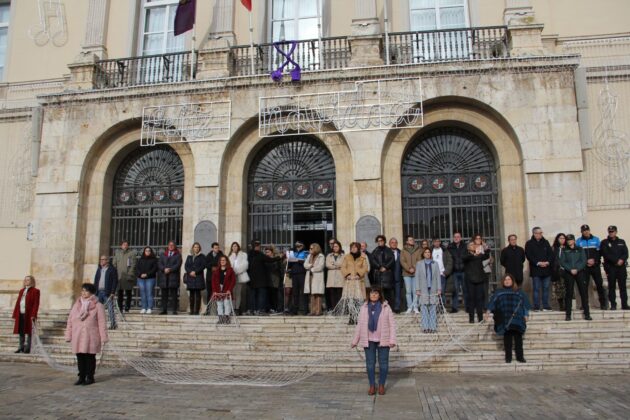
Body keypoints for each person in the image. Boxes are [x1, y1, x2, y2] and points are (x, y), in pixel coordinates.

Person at [351, 287, 397, 396]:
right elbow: (360, 325)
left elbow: (392, 325)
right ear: (369, 295)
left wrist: (392, 339)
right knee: (370, 364)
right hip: (369, 340)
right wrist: (355, 341)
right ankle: (372, 385)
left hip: (383, 340)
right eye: (372, 293)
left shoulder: (386, 307)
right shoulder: (364, 307)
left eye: (376, 293)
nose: (374, 295)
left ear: (380, 295)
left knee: (384, 365)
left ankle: (381, 385)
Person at [64, 283, 108, 385]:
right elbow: (70, 320)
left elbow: (101, 322)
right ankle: (81, 376)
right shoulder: (76, 305)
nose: (83, 293)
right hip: (78, 334)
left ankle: (90, 377)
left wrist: (103, 337)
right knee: (80, 356)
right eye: (82, 290)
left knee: (90, 357)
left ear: (91, 292)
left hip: (91, 335)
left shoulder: (98, 306)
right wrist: (68, 334)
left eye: (86, 291)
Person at [486, 274, 530, 363]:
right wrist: (488, 312)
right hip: (505, 319)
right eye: (505, 280)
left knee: (518, 339)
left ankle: (520, 357)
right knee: (507, 339)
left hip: (517, 318)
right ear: (503, 281)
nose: (507, 281)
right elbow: (492, 303)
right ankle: (508, 357)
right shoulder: (499, 292)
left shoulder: (519, 292)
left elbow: (525, 304)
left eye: (509, 279)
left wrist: (526, 315)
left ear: (512, 281)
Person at [559, 234, 591, 321]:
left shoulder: (580, 249)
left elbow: (583, 260)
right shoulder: (564, 250)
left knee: (583, 293)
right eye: (568, 240)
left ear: (574, 240)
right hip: (569, 273)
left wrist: (577, 269)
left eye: (570, 240)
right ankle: (568, 315)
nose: (569, 241)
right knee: (569, 293)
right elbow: (562, 261)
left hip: (579, 272)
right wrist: (570, 269)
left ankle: (587, 314)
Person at [576, 224, 608, 310]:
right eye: (584, 230)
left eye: (587, 230)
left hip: (595, 266)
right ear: (581, 232)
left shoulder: (596, 239)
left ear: (589, 230)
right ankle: (584, 304)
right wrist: (585, 261)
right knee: (584, 286)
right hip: (584, 267)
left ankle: (603, 304)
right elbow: (578, 254)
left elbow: (599, 253)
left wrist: (594, 261)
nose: (586, 232)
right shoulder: (578, 241)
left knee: (599, 285)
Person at [525, 227, 554, 311]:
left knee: (546, 288)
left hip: (546, 269)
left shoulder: (546, 242)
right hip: (536, 269)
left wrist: (547, 262)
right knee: (536, 288)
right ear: (534, 234)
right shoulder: (529, 243)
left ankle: (545, 305)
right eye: (539, 233)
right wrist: (538, 263)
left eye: (541, 233)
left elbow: (550, 254)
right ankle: (536, 306)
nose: (540, 234)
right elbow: (529, 255)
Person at [601, 225, 629, 310]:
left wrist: (621, 260)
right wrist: (616, 261)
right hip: (611, 267)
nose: (611, 233)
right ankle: (613, 305)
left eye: (612, 231)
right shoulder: (604, 242)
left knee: (623, 287)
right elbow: (605, 254)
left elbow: (626, 253)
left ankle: (624, 304)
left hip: (621, 268)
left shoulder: (621, 241)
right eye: (610, 232)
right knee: (612, 287)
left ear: (616, 232)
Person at [341, 242, 368, 324]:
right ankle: (352, 318)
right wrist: (347, 274)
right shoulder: (347, 257)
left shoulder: (363, 257)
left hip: (359, 281)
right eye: (352, 247)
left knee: (358, 300)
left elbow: (365, 267)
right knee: (351, 300)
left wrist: (359, 274)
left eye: (355, 247)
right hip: (349, 282)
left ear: (358, 248)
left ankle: (359, 318)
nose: (353, 249)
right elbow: (343, 267)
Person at [415, 248, 441, 333]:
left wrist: (439, 288)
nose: (427, 253)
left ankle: (432, 327)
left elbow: (438, 277)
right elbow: (417, 277)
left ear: (430, 254)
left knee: (433, 307)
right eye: (425, 252)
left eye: (429, 252)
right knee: (424, 308)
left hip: (433, 288)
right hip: (423, 289)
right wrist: (417, 289)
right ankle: (425, 327)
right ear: (423, 254)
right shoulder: (419, 264)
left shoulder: (435, 264)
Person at [12, 275, 40, 354]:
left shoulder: (35, 291)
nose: (26, 281)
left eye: (28, 280)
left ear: (32, 281)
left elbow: (36, 303)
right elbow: (18, 302)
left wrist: (34, 314)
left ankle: (27, 348)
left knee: (29, 331)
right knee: (21, 330)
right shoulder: (22, 291)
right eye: (25, 280)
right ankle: (21, 347)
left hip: (29, 314)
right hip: (21, 313)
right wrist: (15, 314)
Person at [464, 242, 490, 323]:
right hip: (470, 280)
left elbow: (486, 256)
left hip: (479, 279)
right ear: (468, 248)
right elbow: (464, 258)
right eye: (472, 245)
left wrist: (486, 249)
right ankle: (471, 319)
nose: (474, 246)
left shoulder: (480, 255)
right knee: (471, 299)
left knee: (479, 299)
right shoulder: (466, 255)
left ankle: (480, 318)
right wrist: (473, 254)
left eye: (474, 245)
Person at [112, 240, 137, 313]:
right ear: (121, 246)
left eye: (126, 245)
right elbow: (114, 264)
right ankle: (120, 308)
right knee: (120, 293)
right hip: (119, 277)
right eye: (123, 245)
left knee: (128, 293)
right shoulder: (117, 253)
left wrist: (130, 274)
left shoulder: (131, 253)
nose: (125, 246)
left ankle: (127, 307)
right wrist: (115, 273)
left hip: (128, 276)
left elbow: (133, 265)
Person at [157, 241, 182, 315]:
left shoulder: (178, 255)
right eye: (170, 245)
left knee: (174, 295)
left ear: (174, 246)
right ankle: (164, 310)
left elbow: (178, 264)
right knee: (164, 295)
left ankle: (174, 310)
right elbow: (159, 263)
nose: (171, 246)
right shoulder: (163, 255)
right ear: (168, 246)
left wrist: (170, 269)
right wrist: (164, 269)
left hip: (173, 277)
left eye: (172, 245)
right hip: (164, 278)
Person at [247, 240, 271, 315]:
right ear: (256, 246)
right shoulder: (260, 255)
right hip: (261, 279)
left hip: (251, 279)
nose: (259, 247)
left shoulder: (248, 255)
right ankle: (260, 310)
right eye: (258, 246)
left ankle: (252, 310)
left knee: (252, 295)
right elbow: (270, 260)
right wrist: (279, 257)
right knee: (261, 295)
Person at [211, 255, 236, 324]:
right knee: (219, 304)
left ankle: (227, 318)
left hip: (226, 289)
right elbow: (213, 282)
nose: (223, 261)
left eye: (224, 260)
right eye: (221, 260)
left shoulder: (230, 270)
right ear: (220, 262)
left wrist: (229, 290)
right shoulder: (216, 270)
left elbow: (233, 281)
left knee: (227, 303)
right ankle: (220, 318)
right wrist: (214, 291)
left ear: (226, 261)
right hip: (218, 289)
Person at [370, 235, 395, 303]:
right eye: (378, 241)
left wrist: (385, 267)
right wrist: (379, 267)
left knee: (388, 293)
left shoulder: (389, 250)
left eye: (381, 241)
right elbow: (372, 260)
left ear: (384, 241)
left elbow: (392, 260)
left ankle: (389, 308)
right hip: (378, 274)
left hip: (387, 274)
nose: (379, 242)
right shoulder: (375, 251)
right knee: (379, 292)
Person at [401, 235, 422, 314]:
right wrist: (409, 268)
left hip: (416, 273)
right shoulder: (403, 250)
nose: (412, 241)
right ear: (407, 241)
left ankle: (415, 307)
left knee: (415, 291)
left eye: (412, 240)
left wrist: (414, 268)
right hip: (406, 273)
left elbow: (419, 260)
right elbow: (402, 261)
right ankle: (409, 307)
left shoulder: (418, 250)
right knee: (408, 291)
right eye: (410, 240)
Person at [447, 232, 467, 313]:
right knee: (455, 290)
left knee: (465, 290)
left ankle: (468, 307)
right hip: (454, 271)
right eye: (455, 237)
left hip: (464, 271)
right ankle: (455, 307)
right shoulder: (450, 247)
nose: (456, 238)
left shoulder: (465, 246)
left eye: (458, 237)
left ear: (461, 238)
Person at [228, 242, 249, 315]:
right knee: (232, 293)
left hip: (239, 276)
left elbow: (245, 265)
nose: (234, 248)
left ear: (238, 247)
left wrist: (236, 272)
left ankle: (237, 308)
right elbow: (229, 266)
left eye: (236, 246)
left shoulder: (243, 255)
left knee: (238, 293)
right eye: (233, 246)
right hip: (231, 277)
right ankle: (232, 308)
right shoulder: (230, 256)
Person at [184, 242, 205, 315]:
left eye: (197, 247)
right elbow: (186, 266)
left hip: (198, 277)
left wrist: (195, 272)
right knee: (191, 296)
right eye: (195, 247)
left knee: (198, 295)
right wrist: (190, 272)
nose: (196, 248)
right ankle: (192, 310)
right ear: (193, 248)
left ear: (199, 248)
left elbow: (203, 266)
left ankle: (196, 311)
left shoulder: (202, 256)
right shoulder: (189, 257)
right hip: (190, 278)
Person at [304, 243, 326, 316]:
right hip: (310, 277)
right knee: (311, 294)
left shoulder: (321, 256)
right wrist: (311, 265)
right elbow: (305, 264)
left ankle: (318, 311)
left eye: (311, 248)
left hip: (317, 277)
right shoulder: (309, 256)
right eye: (310, 248)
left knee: (317, 294)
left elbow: (320, 266)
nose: (310, 250)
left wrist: (312, 269)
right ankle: (312, 311)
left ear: (316, 248)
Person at [432, 238, 452, 311]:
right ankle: (434, 307)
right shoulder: (431, 250)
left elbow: (450, 261)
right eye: (435, 241)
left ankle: (442, 307)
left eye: (438, 241)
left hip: (441, 274)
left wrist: (446, 272)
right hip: (432, 275)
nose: (436, 243)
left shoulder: (444, 250)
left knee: (441, 291)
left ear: (440, 242)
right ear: (433, 242)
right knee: (433, 292)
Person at [135, 246, 158, 314]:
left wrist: (147, 274)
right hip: (141, 278)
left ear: (151, 252)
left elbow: (155, 269)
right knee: (142, 293)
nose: (147, 252)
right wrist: (140, 274)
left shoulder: (154, 260)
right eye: (146, 251)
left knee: (149, 292)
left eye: (149, 251)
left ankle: (149, 307)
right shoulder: (140, 260)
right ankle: (144, 307)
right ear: (144, 252)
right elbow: (137, 268)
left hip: (150, 278)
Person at [288, 241, 308, 315]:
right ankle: (295, 310)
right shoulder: (293, 252)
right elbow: (289, 264)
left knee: (303, 292)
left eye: (299, 245)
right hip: (294, 274)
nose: (298, 247)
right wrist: (289, 258)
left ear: (302, 245)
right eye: (296, 246)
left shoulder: (305, 252)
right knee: (295, 293)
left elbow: (306, 261)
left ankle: (305, 309)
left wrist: (299, 260)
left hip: (302, 273)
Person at [325, 240, 345, 311]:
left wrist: (334, 264)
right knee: (332, 294)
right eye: (334, 247)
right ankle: (334, 309)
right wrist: (337, 266)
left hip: (340, 276)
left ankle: (339, 309)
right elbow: (328, 265)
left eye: (336, 246)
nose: (335, 248)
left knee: (339, 294)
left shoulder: (343, 256)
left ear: (339, 247)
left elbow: (343, 265)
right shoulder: (329, 256)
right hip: (331, 277)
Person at [264, 245, 284, 313]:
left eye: (268, 252)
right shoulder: (265, 260)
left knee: (275, 295)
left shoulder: (277, 259)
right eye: (266, 252)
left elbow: (280, 269)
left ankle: (276, 308)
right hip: (267, 280)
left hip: (275, 279)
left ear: (272, 252)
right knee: (268, 295)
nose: (267, 253)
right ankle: (269, 308)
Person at [551, 234, 567, 311]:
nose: (562, 240)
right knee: (558, 289)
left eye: (563, 238)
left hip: (566, 271)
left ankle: (567, 304)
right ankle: (561, 305)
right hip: (556, 271)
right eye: (560, 238)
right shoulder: (554, 248)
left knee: (566, 288)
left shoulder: (567, 248)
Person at [389, 237, 403, 313]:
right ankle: (390, 308)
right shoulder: (386, 252)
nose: (394, 244)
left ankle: (397, 308)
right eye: (392, 242)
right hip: (388, 277)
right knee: (390, 294)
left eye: (395, 243)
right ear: (389, 244)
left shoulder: (401, 252)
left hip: (398, 276)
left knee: (398, 293)